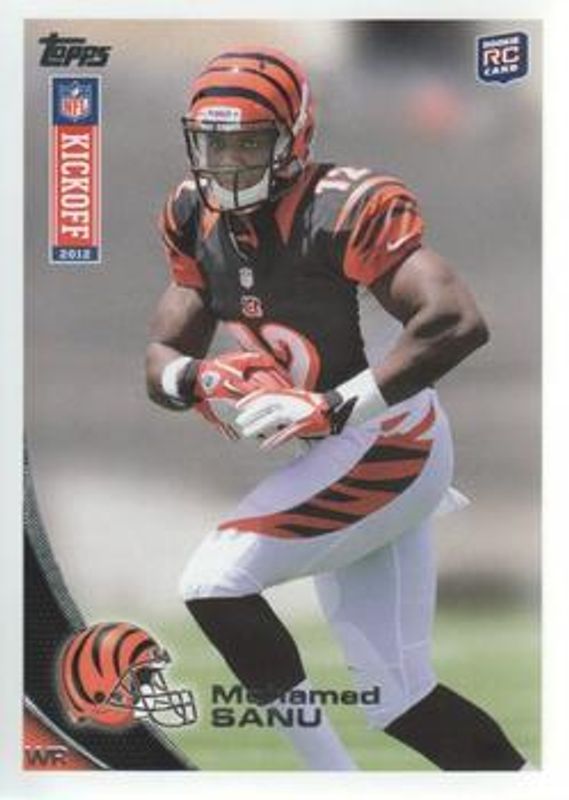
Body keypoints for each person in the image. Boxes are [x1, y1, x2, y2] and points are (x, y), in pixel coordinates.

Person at [145, 45, 527, 770]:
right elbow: (160, 358)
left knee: (213, 583)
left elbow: (456, 321)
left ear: (295, 139)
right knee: (402, 700)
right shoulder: (192, 213)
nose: (227, 163)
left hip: (388, 441)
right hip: (340, 449)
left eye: (248, 143)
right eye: (213, 143)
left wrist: (335, 407)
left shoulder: (342, 209)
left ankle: (331, 782)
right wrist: (199, 378)